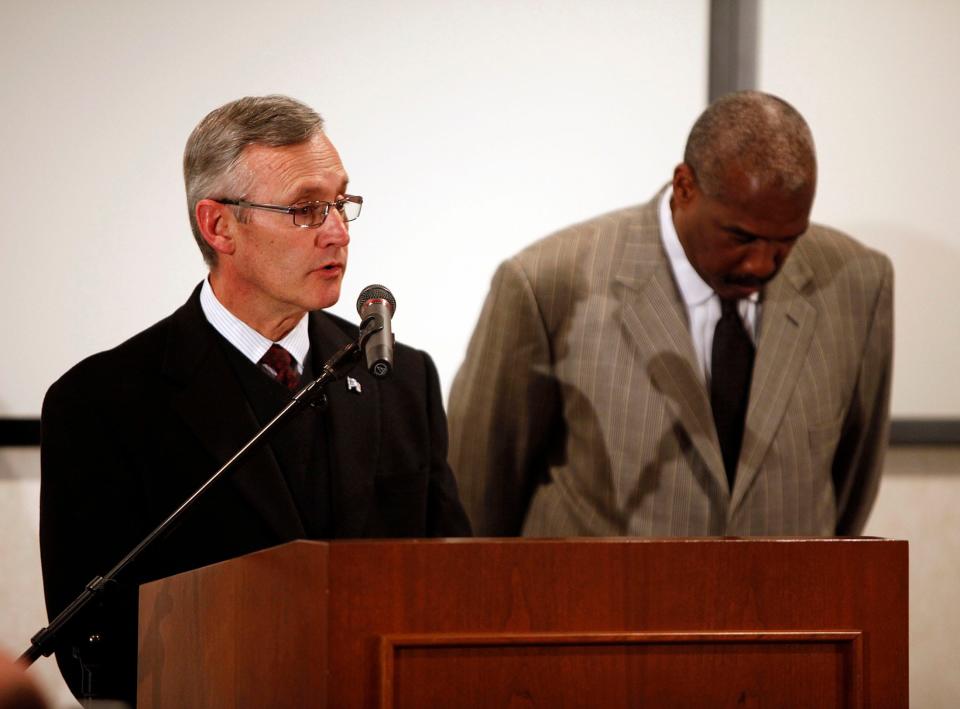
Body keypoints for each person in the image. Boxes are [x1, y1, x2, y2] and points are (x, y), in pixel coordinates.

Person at [39, 95, 471, 705]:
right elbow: (92, 642)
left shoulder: (400, 379)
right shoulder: (103, 403)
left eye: (342, 203)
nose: (338, 232)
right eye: (305, 209)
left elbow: (451, 586)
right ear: (218, 225)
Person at [448, 91, 892, 539]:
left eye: (787, 241)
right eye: (740, 236)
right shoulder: (547, 282)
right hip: (595, 606)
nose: (762, 264)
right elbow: (477, 493)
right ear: (684, 187)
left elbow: (853, 483)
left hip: (786, 606)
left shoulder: (859, 283)